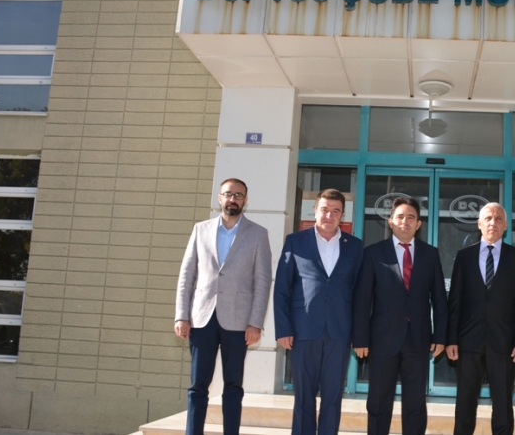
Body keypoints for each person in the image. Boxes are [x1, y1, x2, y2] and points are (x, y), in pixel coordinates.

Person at [174, 178, 272, 435]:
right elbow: (187, 276)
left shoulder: (258, 234)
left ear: (245, 201)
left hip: (238, 322)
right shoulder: (201, 230)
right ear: (220, 198)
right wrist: (181, 316)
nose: (233, 199)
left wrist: (255, 322)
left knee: (233, 387)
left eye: (238, 195)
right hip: (201, 319)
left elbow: (262, 282)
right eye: (228, 194)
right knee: (198, 386)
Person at [352, 196, 448, 435]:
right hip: (382, 340)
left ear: (418, 224)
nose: (405, 221)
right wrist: (360, 337)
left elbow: (439, 298)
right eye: (400, 216)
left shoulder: (430, 254)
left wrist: (440, 336)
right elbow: (362, 299)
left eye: (411, 217)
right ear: (391, 221)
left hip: (418, 339)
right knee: (378, 401)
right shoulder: (373, 253)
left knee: (415, 403)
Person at [273, 189, 364, 435]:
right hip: (302, 330)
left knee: (333, 397)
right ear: (315, 210)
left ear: (342, 215)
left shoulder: (355, 246)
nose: (329, 215)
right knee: (304, 396)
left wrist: (358, 333)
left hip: (339, 332)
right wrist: (283, 328)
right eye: (324, 209)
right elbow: (281, 288)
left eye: (335, 211)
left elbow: (360, 294)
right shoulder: (295, 241)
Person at [446, 203, 515, 435]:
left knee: (503, 403)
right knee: (465, 403)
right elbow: (455, 302)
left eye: (498, 219)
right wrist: (451, 339)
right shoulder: (464, 257)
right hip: (468, 342)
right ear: (479, 224)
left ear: (505, 225)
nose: (493, 223)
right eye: (488, 218)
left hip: (504, 343)